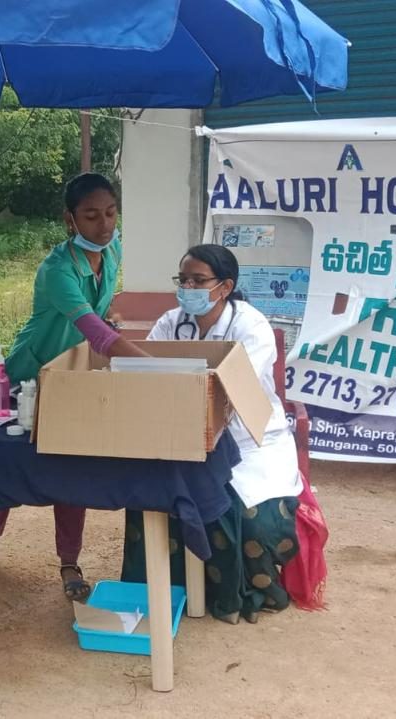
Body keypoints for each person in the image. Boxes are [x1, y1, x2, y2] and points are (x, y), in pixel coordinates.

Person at [0, 172, 148, 601]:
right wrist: (155, 367)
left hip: (75, 374)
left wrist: (110, 329)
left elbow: (101, 313)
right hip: (29, 374)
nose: (105, 225)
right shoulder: (57, 269)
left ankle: (69, 560)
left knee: (68, 462)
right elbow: (95, 331)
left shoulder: (113, 251)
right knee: (5, 463)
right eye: (91, 216)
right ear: (69, 219)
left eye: (111, 213)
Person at [120, 243, 317, 624]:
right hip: (184, 434)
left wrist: (182, 384)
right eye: (183, 279)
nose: (188, 287)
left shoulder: (251, 326)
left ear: (225, 287)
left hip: (250, 440)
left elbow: (230, 385)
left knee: (252, 517)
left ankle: (236, 591)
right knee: (153, 496)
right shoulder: (171, 322)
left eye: (198, 280)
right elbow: (148, 373)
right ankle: (170, 589)